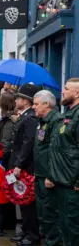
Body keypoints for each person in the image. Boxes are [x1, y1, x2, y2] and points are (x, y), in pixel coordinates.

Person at [47, 78, 79, 246]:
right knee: (64, 226)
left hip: (72, 184)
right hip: (61, 180)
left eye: (66, 88)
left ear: (77, 93)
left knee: (73, 228)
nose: (62, 91)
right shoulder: (67, 114)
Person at [10, 83, 41, 246]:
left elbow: (28, 143)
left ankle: (32, 235)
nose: (15, 101)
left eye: (18, 98)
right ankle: (25, 231)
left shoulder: (30, 118)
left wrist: (19, 164)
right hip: (19, 165)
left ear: (26, 101)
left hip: (26, 167)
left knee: (27, 201)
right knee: (21, 198)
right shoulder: (24, 115)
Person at [30, 90, 63, 245]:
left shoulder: (56, 121)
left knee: (50, 214)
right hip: (40, 174)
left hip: (48, 177)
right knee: (42, 213)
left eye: (36, 104)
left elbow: (55, 151)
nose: (33, 107)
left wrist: (50, 175)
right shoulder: (42, 121)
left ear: (46, 104)